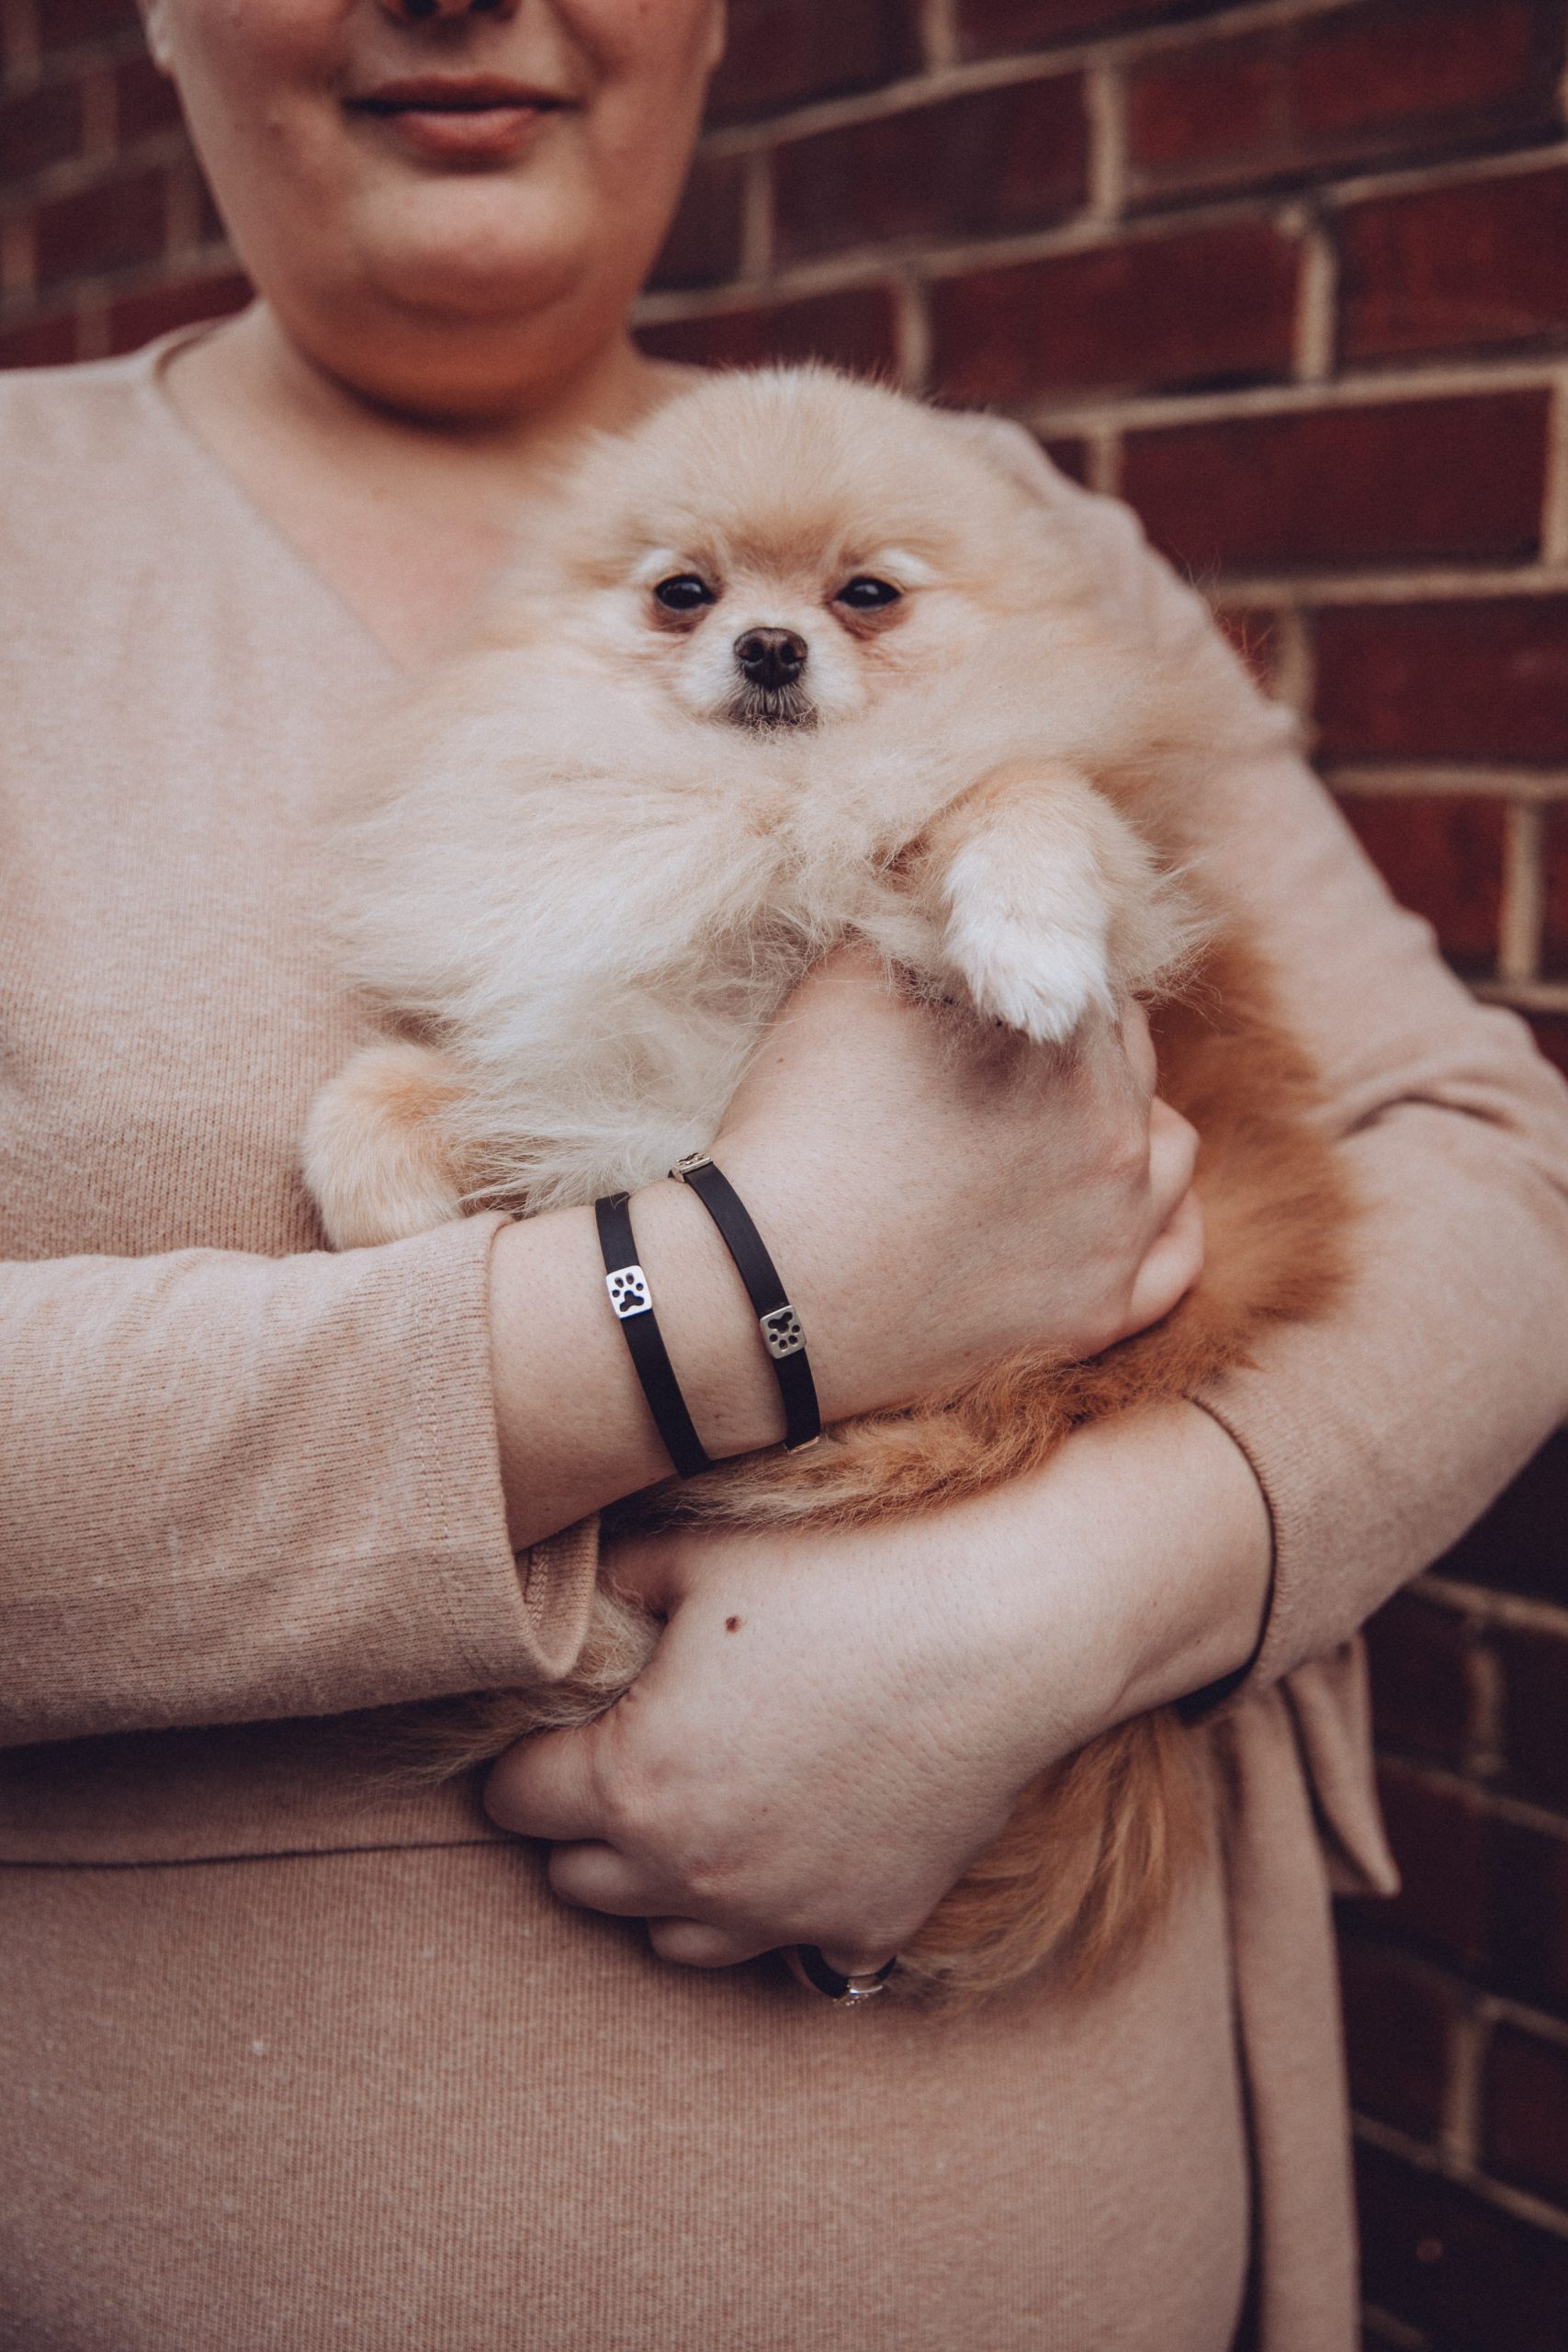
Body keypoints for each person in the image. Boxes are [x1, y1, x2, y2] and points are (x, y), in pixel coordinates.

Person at [2, 4, 1564, 2347]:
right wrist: (732, 1292)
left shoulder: (1023, 541)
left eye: (844, 602)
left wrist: (1092, 1583)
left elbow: (1488, 1161)